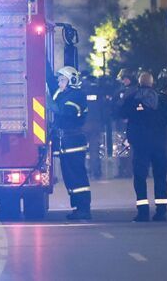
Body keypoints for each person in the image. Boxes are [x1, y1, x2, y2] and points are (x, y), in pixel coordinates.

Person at [119, 71, 167, 222]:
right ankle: (161, 211)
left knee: (140, 177)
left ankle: (142, 212)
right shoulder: (162, 98)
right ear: (153, 83)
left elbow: (119, 114)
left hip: (139, 144)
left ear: (139, 83)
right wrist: (163, 122)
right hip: (158, 142)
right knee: (160, 176)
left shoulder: (132, 98)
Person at [48, 66, 92, 220]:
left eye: (62, 80)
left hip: (74, 142)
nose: (59, 83)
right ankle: (77, 208)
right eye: (59, 80)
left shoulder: (76, 96)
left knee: (77, 176)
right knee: (70, 177)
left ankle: (84, 208)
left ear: (72, 80)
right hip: (67, 143)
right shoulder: (65, 94)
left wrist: (47, 102)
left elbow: (64, 112)